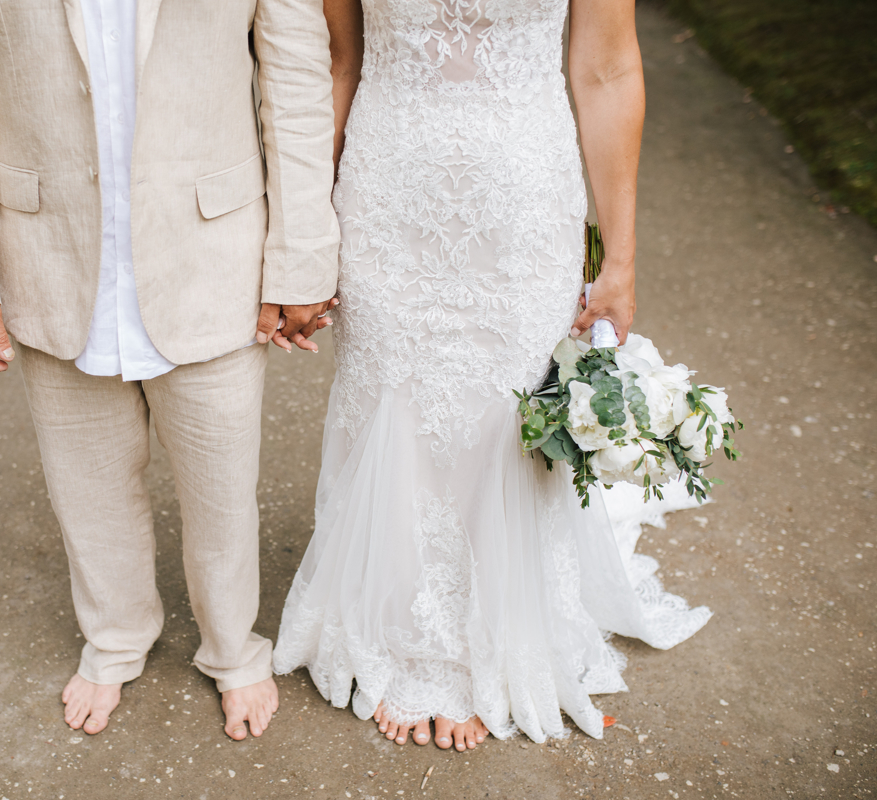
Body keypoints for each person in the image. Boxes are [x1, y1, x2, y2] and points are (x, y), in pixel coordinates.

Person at [273, 0, 712, 750]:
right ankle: (402, 627)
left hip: (523, 205)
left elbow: (606, 71)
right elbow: (342, 63)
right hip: (387, 196)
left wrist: (621, 260)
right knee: (394, 394)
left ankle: (494, 637)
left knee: (503, 412)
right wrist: (306, 240)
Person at [0, 0, 339, 741]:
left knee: (222, 487)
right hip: (52, 248)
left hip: (212, 246)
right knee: (86, 482)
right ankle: (115, 637)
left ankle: (235, 648)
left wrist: (301, 258)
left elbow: (296, 82)